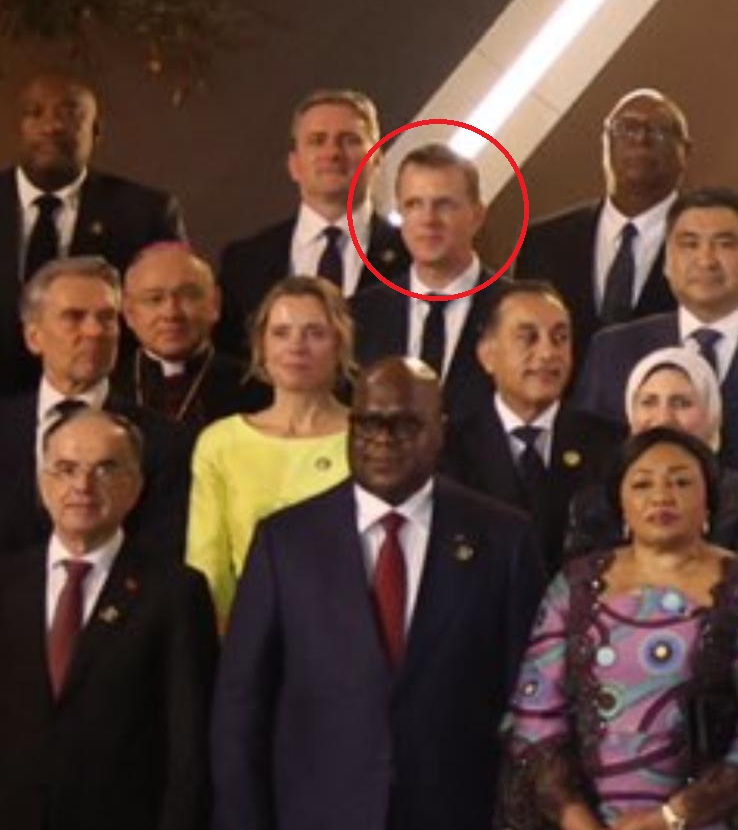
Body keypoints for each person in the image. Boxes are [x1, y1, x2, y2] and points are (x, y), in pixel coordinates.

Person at [210, 355, 544, 830]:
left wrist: (517, 829)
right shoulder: (287, 538)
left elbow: (531, 706)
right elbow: (242, 701)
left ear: (440, 430)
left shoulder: (503, 538)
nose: (382, 439)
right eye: (368, 422)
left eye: (403, 424)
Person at [501, 425, 738, 830]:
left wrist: (670, 820)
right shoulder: (575, 586)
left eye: (681, 482)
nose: (662, 495)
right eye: (643, 483)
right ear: (620, 503)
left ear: (709, 500)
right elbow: (535, 722)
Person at [0, 408, 216, 830]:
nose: (82, 486)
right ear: (41, 479)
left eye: (104, 468)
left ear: (136, 485)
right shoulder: (7, 581)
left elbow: (191, 743)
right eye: (65, 468)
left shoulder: (174, 591)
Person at [187, 274, 351, 830]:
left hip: (347, 710)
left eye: (313, 330)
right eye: (281, 331)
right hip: (251, 701)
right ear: (258, 346)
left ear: (340, 343)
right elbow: (206, 575)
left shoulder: (367, 438)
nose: (297, 345)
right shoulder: (221, 443)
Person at [0, 71, 186, 396]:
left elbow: (171, 312)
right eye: (35, 113)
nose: (51, 126)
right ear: (19, 128)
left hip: (109, 400)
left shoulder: (144, 212)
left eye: (69, 114)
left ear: (96, 131)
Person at [0, 255, 192, 559]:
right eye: (74, 317)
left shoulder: (166, 442)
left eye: (106, 318)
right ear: (33, 336)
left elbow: (160, 559)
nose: (95, 331)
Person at [443, 280, 623, 573]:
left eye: (560, 338)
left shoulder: (610, 444)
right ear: (487, 355)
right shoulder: (449, 448)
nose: (548, 353)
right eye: (528, 338)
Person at [216, 88, 407, 356]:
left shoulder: (413, 257)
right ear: (294, 164)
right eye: (317, 141)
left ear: (376, 160)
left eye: (349, 140)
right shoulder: (244, 262)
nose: (332, 153)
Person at [515, 89, 688, 363]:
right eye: (627, 128)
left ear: (685, 151)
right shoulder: (543, 242)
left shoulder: (717, 243)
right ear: (605, 142)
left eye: (658, 131)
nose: (640, 139)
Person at [576, 187, 738, 471]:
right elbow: (591, 458)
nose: (706, 260)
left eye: (725, 244)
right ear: (666, 262)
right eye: (689, 244)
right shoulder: (613, 349)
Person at [352, 143, 505, 429]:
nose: (428, 220)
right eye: (414, 204)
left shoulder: (513, 309)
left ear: (477, 216)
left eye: (444, 205)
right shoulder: (360, 315)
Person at [567, 345, 738, 556]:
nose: (664, 418)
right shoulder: (593, 507)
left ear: (710, 413)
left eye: (682, 403)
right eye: (649, 402)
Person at [115, 242, 266, 429]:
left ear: (215, 304)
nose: (171, 313)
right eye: (155, 299)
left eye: (188, 296)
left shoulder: (257, 387)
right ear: (128, 312)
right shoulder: (108, 389)